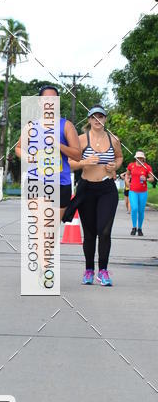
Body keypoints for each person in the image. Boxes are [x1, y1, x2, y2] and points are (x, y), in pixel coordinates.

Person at [68, 106, 122, 286]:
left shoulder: (113, 139)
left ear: (105, 119)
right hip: (86, 189)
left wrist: (114, 166)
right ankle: (89, 270)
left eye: (101, 117)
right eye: (94, 117)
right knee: (90, 233)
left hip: (107, 189)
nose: (98, 120)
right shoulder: (81, 140)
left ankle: (104, 271)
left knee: (104, 231)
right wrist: (84, 161)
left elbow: (120, 158)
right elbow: (69, 163)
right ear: (89, 120)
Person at [15, 84, 81, 220]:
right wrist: (27, 157)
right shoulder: (31, 126)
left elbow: (77, 155)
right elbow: (18, 148)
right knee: (42, 225)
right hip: (36, 181)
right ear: (40, 102)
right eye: (46, 99)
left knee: (52, 233)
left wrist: (58, 145)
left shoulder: (66, 126)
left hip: (61, 183)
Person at [126, 150, 155, 236]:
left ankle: (140, 228)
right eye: (138, 158)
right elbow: (127, 175)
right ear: (135, 158)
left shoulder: (147, 167)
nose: (139, 159)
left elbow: (152, 178)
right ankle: (134, 227)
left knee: (141, 211)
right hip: (133, 191)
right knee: (134, 208)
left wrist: (146, 179)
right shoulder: (131, 165)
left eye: (141, 158)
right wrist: (127, 181)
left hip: (143, 192)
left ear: (143, 159)